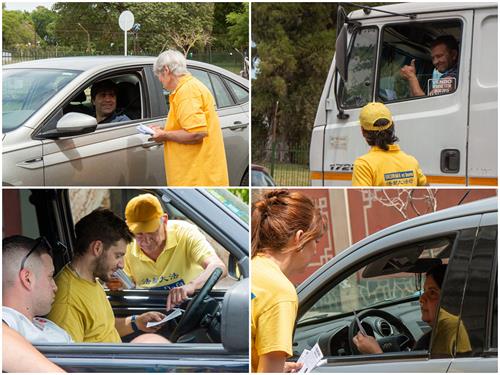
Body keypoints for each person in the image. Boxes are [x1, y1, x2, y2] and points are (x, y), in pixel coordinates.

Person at [47, 208, 166, 343]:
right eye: (118, 256)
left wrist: (137, 322)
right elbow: (69, 359)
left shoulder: (90, 280)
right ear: (97, 248)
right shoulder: (67, 302)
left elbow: (102, 330)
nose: (122, 265)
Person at [251, 190, 326, 372]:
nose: (316, 249)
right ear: (299, 239)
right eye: (316, 240)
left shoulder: (254, 267)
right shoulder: (281, 292)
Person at [122, 193, 227, 311]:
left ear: (165, 220)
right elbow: (126, 285)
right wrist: (117, 285)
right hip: (147, 314)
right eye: (139, 233)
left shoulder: (185, 233)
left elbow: (218, 267)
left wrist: (191, 286)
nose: (146, 240)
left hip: (190, 308)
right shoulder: (125, 246)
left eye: (152, 232)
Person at [353, 264, 471, 356]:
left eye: (432, 293)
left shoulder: (450, 327)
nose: (422, 298)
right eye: (424, 292)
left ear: (450, 299)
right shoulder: (437, 332)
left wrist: (375, 353)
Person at [150, 49, 229, 186]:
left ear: (166, 70)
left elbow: (196, 133)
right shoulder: (189, 87)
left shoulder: (187, 92)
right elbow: (188, 126)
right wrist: (163, 130)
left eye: (159, 76)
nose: (160, 80)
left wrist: (165, 135)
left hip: (195, 178)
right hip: (196, 176)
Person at [2, 235, 73, 344]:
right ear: (27, 279)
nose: (55, 287)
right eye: (50, 276)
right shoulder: (7, 318)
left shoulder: (48, 326)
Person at [352, 102, 427, 186]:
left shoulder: (364, 165)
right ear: (392, 126)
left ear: (362, 131)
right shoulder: (411, 162)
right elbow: (429, 194)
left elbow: (360, 197)